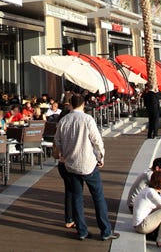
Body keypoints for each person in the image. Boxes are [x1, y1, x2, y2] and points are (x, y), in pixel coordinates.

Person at [54, 94, 119, 242]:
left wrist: (63, 154)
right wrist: (100, 157)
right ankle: (105, 231)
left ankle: (82, 231)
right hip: (88, 163)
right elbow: (97, 140)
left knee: (77, 197)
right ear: (83, 104)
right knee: (98, 196)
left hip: (71, 164)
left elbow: (57, 141)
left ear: (70, 104)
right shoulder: (87, 119)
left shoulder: (64, 120)